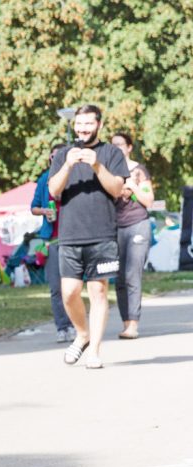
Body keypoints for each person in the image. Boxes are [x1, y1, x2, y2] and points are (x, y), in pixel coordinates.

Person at [47, 104, 128, 369]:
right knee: (69, 293)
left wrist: (97, 166)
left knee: (98, 291)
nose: (82, 129)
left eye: (88, 124)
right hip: (70, 235)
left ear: (99, 125)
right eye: (79, 124)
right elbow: (53, 190)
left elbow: (117, 189)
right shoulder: (63, 155)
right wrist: (68, 166)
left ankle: (94, 351)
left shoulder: (111, 153)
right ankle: (82, 334)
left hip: (102, 234)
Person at [110, 132, 154, 340]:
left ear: (129, 147)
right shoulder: (108, 172)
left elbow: (148, 201)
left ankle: (133, 324)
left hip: (137, 225)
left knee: (132, 274)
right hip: (115, 228)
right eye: (113, 145)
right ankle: (126, 322)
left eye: (120, 144)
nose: (116, 147)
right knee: (118, 278)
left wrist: (132, 185)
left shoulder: (139, 170)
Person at [31, 142, 75, 343]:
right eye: (52, 157)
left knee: (72, 286)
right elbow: (33, 207)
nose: (55, 161)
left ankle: (75, 324)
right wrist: (45, 211)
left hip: (71, 237)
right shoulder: (43, 180)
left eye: (59, 157)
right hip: (51, 239)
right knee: (56, 287)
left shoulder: (74, 177)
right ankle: (62, 326)